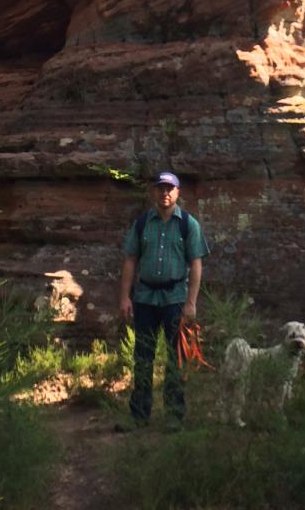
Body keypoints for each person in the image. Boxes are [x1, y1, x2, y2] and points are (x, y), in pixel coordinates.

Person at [117, 171, 209, 430]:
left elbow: (196, 264)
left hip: (175, 299)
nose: (165, 193)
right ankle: (139, 416)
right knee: (142, 356)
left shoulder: (188, 224)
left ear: (178, 192)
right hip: (145, 298)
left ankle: (174, 416)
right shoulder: (142, 223)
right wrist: (125, 297)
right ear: (154, 191)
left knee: (176, 358)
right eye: (160, 188)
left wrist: (191, 303)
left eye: (170, 188)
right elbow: (130, 260)